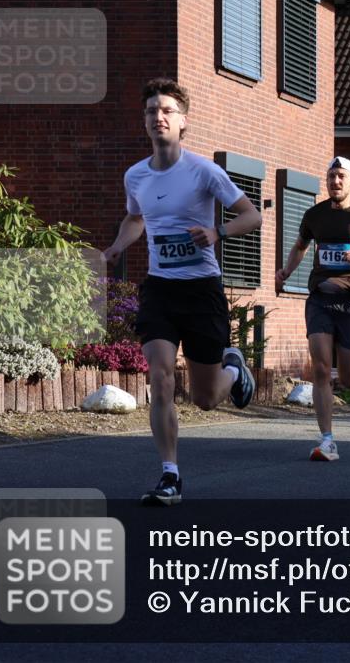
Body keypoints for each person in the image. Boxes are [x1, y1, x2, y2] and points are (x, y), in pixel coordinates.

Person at [103, 77, 263, 506]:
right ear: (145, 121)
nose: (159, 117)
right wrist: (117, 246)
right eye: (152, 111)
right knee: (160, 375)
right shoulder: (135, 175)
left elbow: (252, 217)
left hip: (201, 290)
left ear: (183, 122)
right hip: (160, 288)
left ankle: (234, 371)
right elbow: (135, 219)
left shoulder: (204, 171)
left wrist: (217, 231)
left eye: (167, 111)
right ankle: (170, 475)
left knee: (205, 398)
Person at [276, 156, 350, 460]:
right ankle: (327, 440)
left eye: (342, 176)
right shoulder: (314, 215)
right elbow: (300, 246)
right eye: (331, 176)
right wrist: (286, 272)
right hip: (320, 298)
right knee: (319, 367)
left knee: (346, 377)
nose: (336, 181)